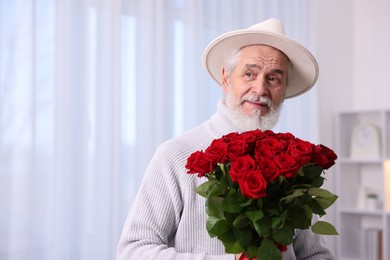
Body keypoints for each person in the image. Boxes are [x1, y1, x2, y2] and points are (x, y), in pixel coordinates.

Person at [117, 18, 334, 260]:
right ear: (226, 78)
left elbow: (315, 254)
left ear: (283, 91)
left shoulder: (293, 162)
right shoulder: (175, 155)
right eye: (249, 73)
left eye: (273, 78)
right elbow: (133, 251)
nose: (260, 89)